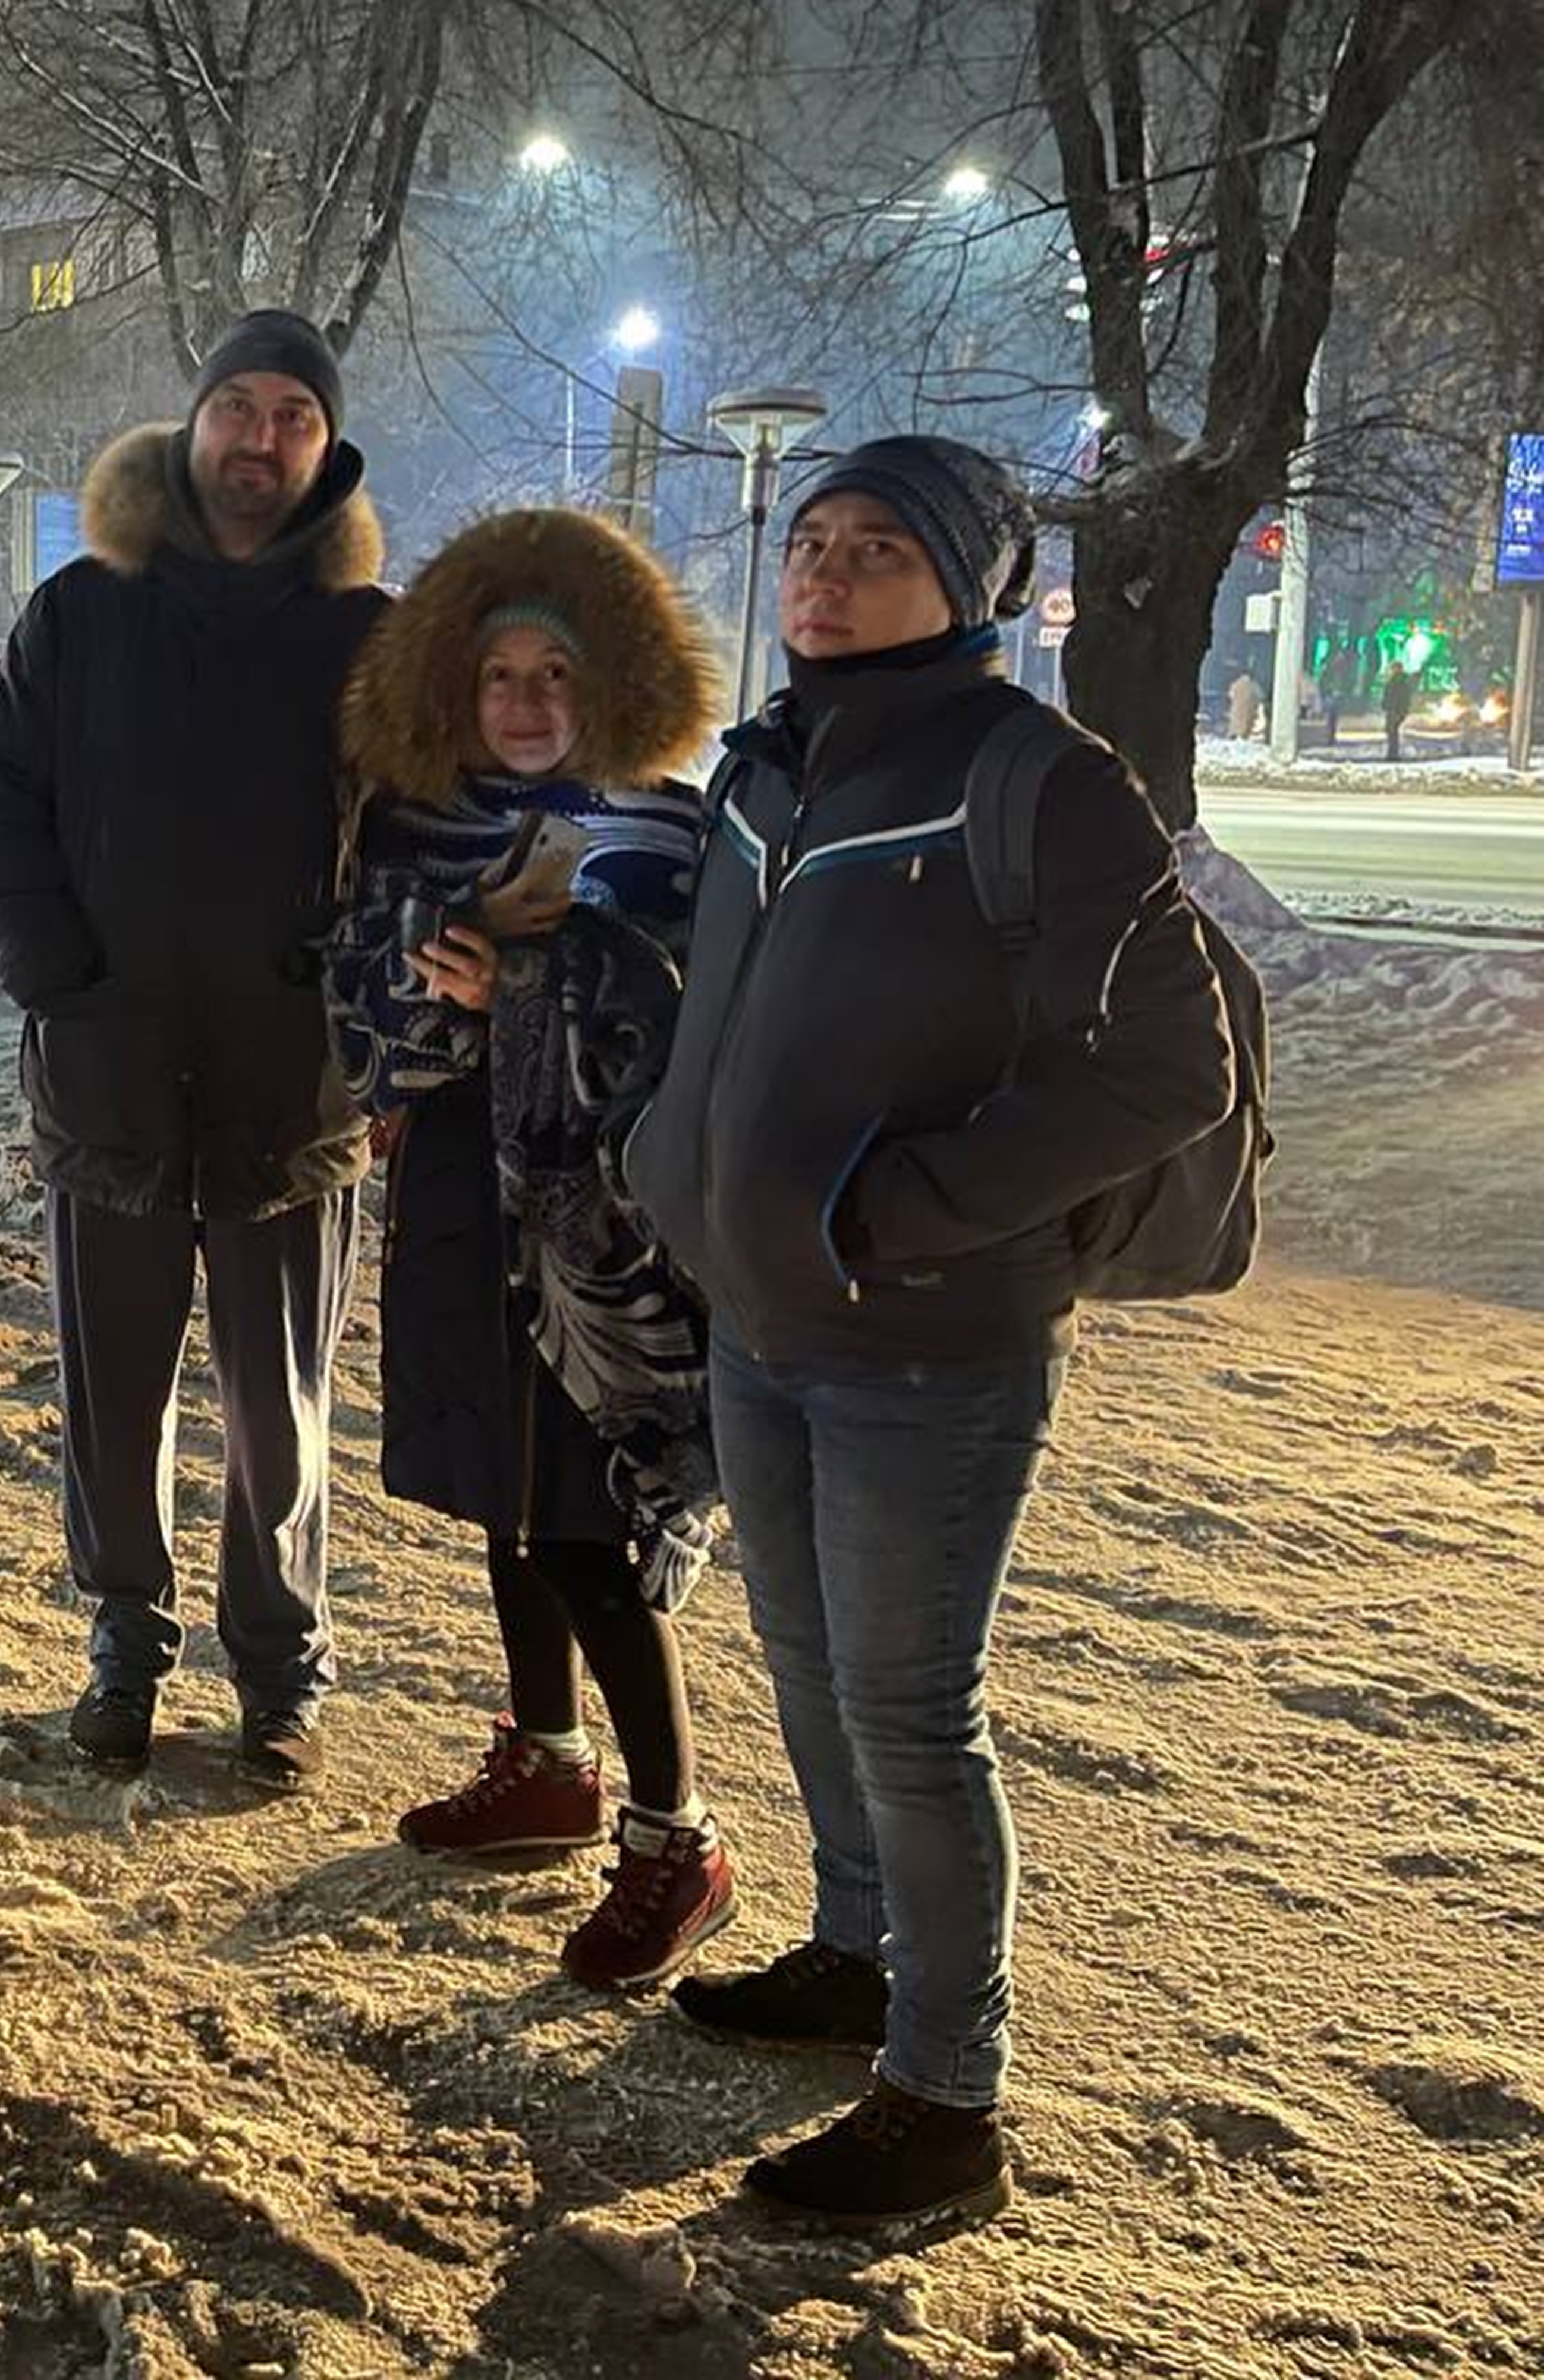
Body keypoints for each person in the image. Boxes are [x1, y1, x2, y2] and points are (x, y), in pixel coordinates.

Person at [626, 436, 1234, 2227]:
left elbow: (1165, 1068)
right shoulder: (763, 768)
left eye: (875, 547)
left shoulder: (1036, 780)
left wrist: (900, 1210)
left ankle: (945, 2097)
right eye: (807, 541)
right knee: (808, 1671)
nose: (820, 574)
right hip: (759, 1314)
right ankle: (850, 1946)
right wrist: (678, 1168)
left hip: (929, 1338)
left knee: (907, 1707)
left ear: (967, 584)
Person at [0, 308, 391, 1789]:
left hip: (294, 1090)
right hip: (111, 1075)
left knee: (279, 1411)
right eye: (240, 408)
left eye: (294, 419)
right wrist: (52, 972)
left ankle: (279, 1668)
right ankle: (124, 1642)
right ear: (191, 423)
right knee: (113, 1394)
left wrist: (379, 1019)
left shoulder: (366, 639)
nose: (260, 440)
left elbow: (417, 842)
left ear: (325, 453)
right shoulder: (81, 611)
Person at [325, 507, 733, 1991]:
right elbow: (364, 1014)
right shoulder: (404, 821)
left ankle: (676, 1835)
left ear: (610, 684)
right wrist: (434, 1018)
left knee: (583, 1514)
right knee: (503, 1493)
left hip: (598, 1219)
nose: (525, 705)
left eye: (554, 677)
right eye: (498, 677)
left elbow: (685, 1032)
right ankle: (547, 1759)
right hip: (450, 1191)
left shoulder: (669, 830)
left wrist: (523, 1002)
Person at [1381, 659, 1418, 761]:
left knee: (1392, 732)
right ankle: (1392, 753)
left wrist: (1395, 709)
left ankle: (1393, 754)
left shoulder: (1398, 682)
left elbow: (1399, 697)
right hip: (1394, 710)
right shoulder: (1399, 682)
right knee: (1392, 732)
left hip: (1395, 710)